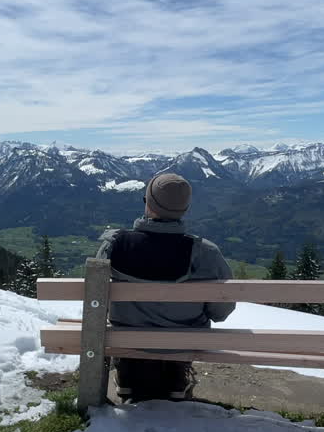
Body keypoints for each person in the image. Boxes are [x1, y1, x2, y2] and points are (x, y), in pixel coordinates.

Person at [95, 172, 236, 401]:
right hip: (185, 340)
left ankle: (128, 374)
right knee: (184, 330)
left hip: (125, 337)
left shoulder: (114, 246)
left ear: (148, 203)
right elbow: (222, 311)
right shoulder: (206, 253)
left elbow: (97, 302)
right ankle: (176, 377)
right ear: (185, 208)